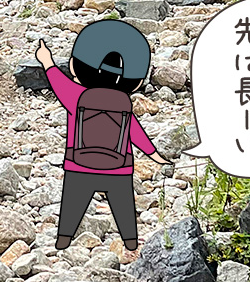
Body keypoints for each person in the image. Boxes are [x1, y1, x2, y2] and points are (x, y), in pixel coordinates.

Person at [34, 19, 165, 251]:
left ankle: (63, 239)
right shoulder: (124, 102)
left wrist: (47, 61)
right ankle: (130, 241)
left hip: (78, 164)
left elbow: (56, 79)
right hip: (119, 167)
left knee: (73, 205)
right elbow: (135, 132)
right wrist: (155, 155)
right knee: (123, 208)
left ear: (75, 67)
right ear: (135, 84)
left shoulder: (76, 95)